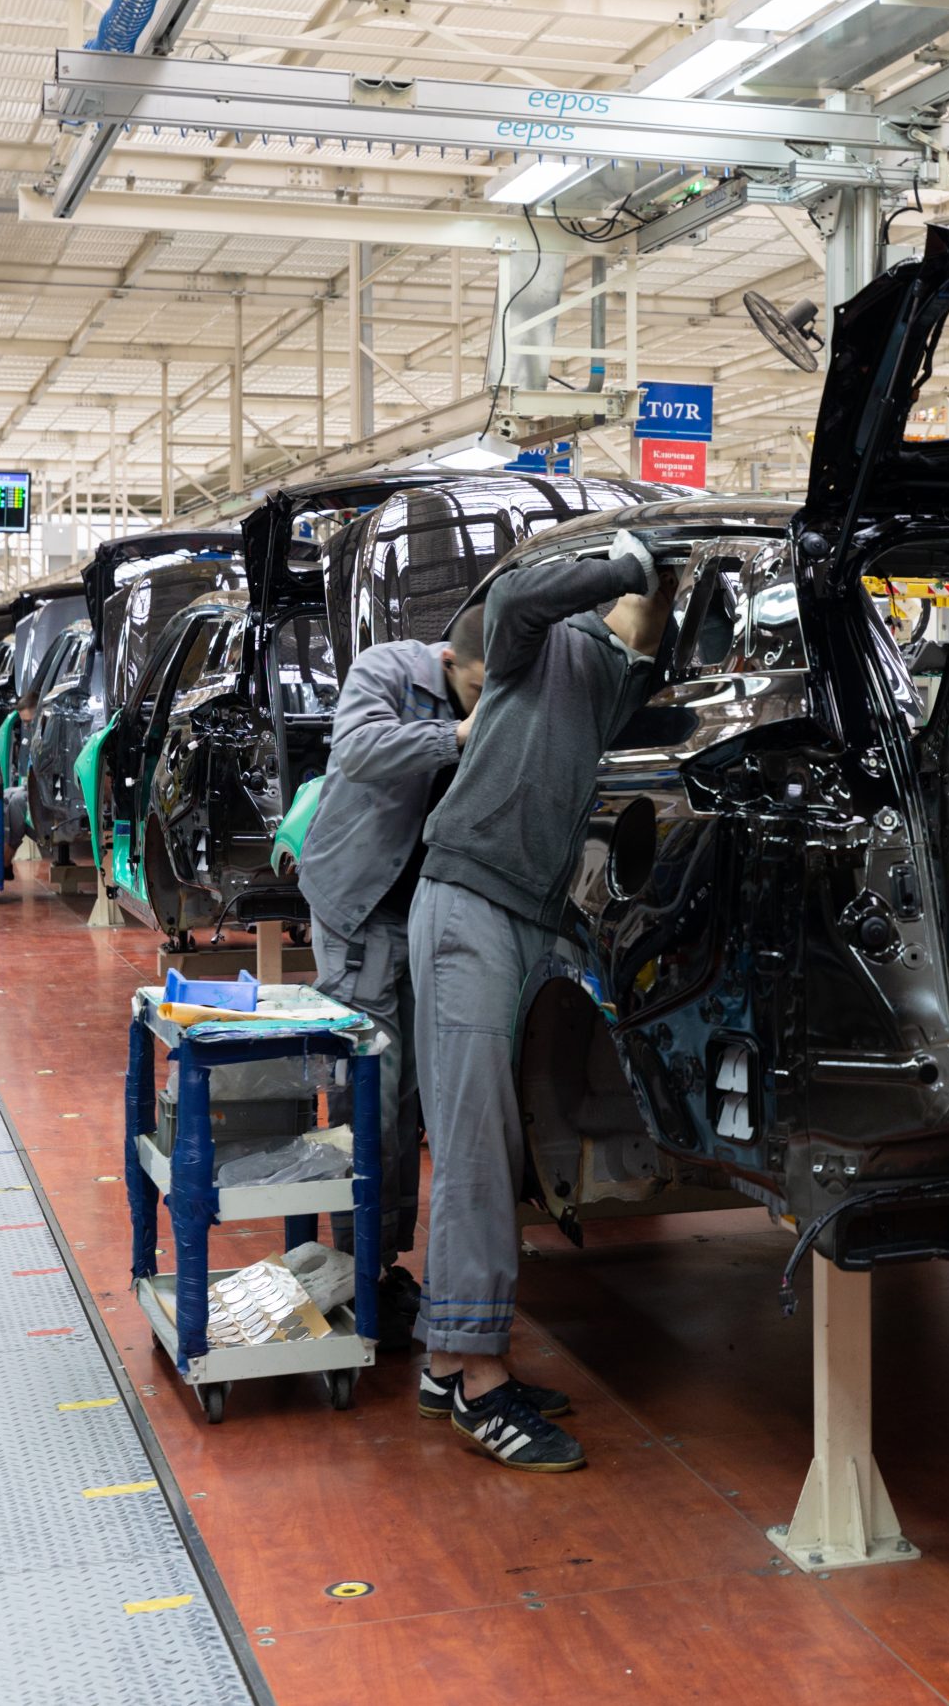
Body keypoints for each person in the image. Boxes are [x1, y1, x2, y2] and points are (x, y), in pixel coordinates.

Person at [411, 529, 677, 1472]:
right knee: (477, 1142)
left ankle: (450, 1359)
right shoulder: (549, 635)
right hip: (472, 901)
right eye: (648, 593)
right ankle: (478, 1376)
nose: (653, 611)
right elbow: (518, 591)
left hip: (523, 913)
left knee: (495, 1142)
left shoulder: (631, 675)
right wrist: (634, 556)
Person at [294, 612, 487, 1350]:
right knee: (366, 1090)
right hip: (358, 908)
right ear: (449, 660)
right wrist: (460, 736)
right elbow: (362, 748)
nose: (477, 705)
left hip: (420, 919)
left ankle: (376, 1264)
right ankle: (349, 1269)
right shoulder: (386, 670)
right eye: (473, 689)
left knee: (406, 1102)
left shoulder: (481, 694)